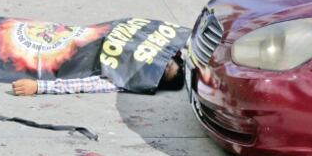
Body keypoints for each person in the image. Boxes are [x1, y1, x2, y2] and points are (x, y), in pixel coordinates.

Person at [11, 54, 185, 96]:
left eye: (162, 73)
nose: (160, 66)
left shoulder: (127, 78)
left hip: (62, 59)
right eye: (168, 63)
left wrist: (39, 87)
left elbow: (87, 84)